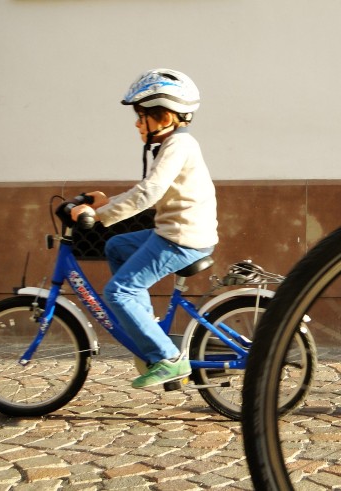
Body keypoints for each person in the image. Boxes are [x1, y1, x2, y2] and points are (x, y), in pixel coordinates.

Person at [70, 69, 218, 388]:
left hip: (182, 239)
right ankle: (146, 325)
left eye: (142, 116)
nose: (137, 124)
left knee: (118, 292)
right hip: (175, 232)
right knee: (116, 247)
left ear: (164, 115)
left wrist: (96, 218)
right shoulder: (174, 144)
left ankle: (166, 357)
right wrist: (103, 203)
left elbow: (148, 194)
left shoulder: (179, 145)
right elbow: (146, 188)